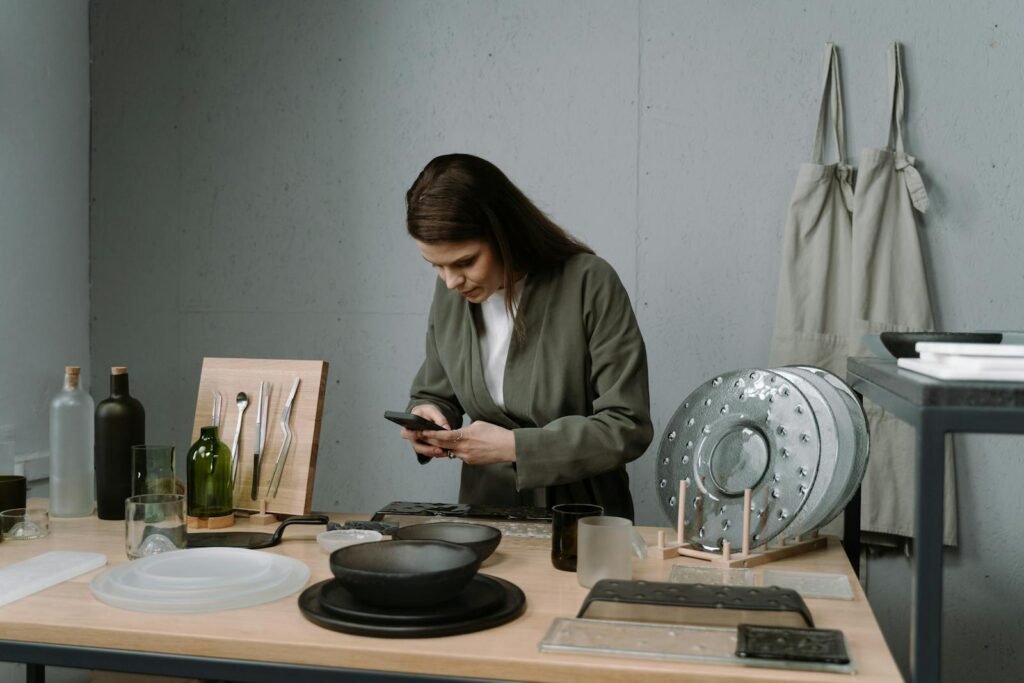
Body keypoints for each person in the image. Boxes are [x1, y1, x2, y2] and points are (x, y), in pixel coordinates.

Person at [400, 153, 652, 521]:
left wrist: (516, 447)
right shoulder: (451, 295)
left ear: (506, 232)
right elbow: (435, 391)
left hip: (582, 519)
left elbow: (628, 425)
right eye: (436, 265)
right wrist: (427, 416)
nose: (451, 281)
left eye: (466, 262)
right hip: (485, 517)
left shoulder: (589, 283)